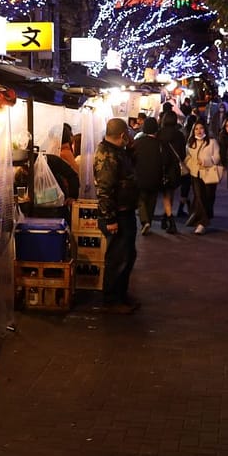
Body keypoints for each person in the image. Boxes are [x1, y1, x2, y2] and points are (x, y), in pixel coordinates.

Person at [93, 118, 141, 314]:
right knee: (118, 258)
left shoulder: (117, 151)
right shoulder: (107, 155)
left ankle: (121, 295)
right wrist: (110, 219)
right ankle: (112, 299)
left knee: (127, 255)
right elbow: (104, 190)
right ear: (123, 135)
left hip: (124, 211)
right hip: (117, 215)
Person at [184, 122, 224, 235]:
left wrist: (206, 161)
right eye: (196, 129)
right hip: (195, 174)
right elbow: (187, 157)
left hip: (209, 174)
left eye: (201, 128)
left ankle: (203, 220)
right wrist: (191, 165)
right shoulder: (191, 143)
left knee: (208, 197)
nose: (199, 131)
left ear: (205, 129)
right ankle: (202, 223)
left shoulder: (212, 142)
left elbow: (217, 157)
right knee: (199, 197)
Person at [131, 116, 165, 235]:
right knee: (152, 200)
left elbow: (132, 158)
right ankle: (148, 221)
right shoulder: (160, 144)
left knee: (141, 199)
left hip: (140, 175)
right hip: (156, 176)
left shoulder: (138, 142)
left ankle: (145, 221)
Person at [156, 104, 184, 234]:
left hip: (163, 168)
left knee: (166, 195)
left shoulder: (160, 134)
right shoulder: (179, 135)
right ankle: (166, 217)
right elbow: (182, 153)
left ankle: (170, 221)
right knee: (170, 193)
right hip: (175, 168)